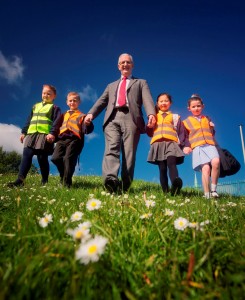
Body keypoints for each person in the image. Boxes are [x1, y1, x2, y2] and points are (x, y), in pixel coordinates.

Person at [84, 53, 156, 193]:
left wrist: (151, 114)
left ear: (132, 65)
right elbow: (102, 101)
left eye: (128, 62)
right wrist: (91, 114)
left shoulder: (141, 82)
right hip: (112, 118)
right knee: (111, 149)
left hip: (132, 118)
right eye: (122, 62)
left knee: (129, 153)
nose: (125, 64)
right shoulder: (111, 86)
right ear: (118, 66)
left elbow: (147, 99)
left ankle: (125, 185)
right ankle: (111, 180)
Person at [9, 84, 61, 187]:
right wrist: (24, 132)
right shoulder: (35, 106)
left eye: (48, 93)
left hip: (44, 136)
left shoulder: (55, 108)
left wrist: (52, 133)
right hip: (31, 134)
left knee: (42, 158)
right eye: (44, 93)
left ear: (54, 96)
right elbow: (29, 120)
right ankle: (20, 180)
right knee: (26, 156)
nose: (45, 95)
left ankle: (44, 181)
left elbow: (57, 122)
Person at [146, 93, 187, 195]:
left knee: (171, 163)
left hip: (171, 143)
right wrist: (150, 126)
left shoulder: (175, 117)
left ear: (170, 103)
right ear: (157, 103)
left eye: (166, 101)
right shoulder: (154, 116)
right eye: (161, 101)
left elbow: (182, 132)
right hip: (158, 144)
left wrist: (182, 144)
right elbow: (149, 132)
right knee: (162, 168)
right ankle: (165, 192)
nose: (163, 103)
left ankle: (175, 185)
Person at [51, 92, 94, 188]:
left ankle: (67, 184)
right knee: (55, 158)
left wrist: (87, 123)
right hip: (61, 139)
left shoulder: (82, 115)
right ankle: (63, 175)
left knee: (68, 159)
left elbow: (87, 129)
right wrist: (53, 135)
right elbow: (56, 126)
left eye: (75, 100)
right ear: (67, 102)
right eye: (70, 100)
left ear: (79, 102)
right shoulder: (62, 115)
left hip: (75, 140)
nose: (72, 102)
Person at [183, 94, 220, 199]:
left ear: (202, 106)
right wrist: (186, 146)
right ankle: (207, 194)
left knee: (216, 162)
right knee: (206, 169)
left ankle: (213, 190)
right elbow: (184, 136)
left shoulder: (207, 118)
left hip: (210, 144)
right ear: (189, 108)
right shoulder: (186, 122)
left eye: (198, 106)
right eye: (193, 107)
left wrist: (212, 128)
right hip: (197, 147)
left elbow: (212, 132)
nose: (196, 108)